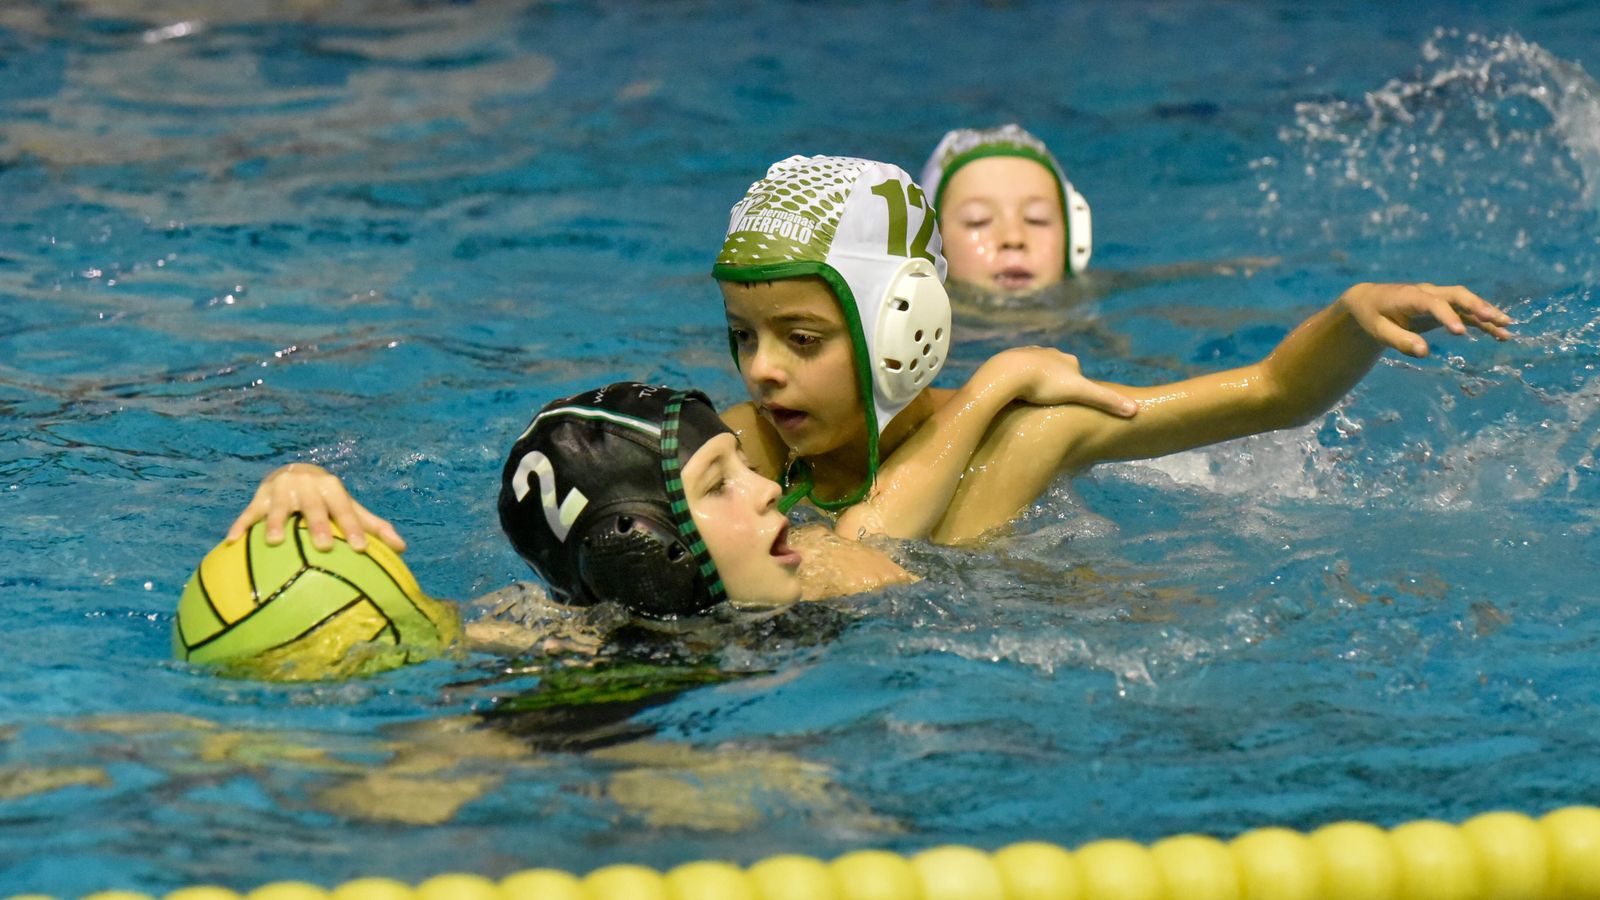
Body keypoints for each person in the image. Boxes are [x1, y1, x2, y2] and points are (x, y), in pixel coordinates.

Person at [711, 154, 1513, 543]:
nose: (762, 370)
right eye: (744, 335)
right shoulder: (736, 456)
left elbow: (1273, 393)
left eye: (802, 339)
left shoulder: (1029, 433)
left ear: (901, 322)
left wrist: (1351, 314)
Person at [227, 357, 1135, 621]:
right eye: (719, 483)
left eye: (743, 466)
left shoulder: (828, 569)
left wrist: (999, 381)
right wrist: (301, 495)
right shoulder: (561, 659)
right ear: (645, 546)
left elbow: (891, 505)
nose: (772, 493)